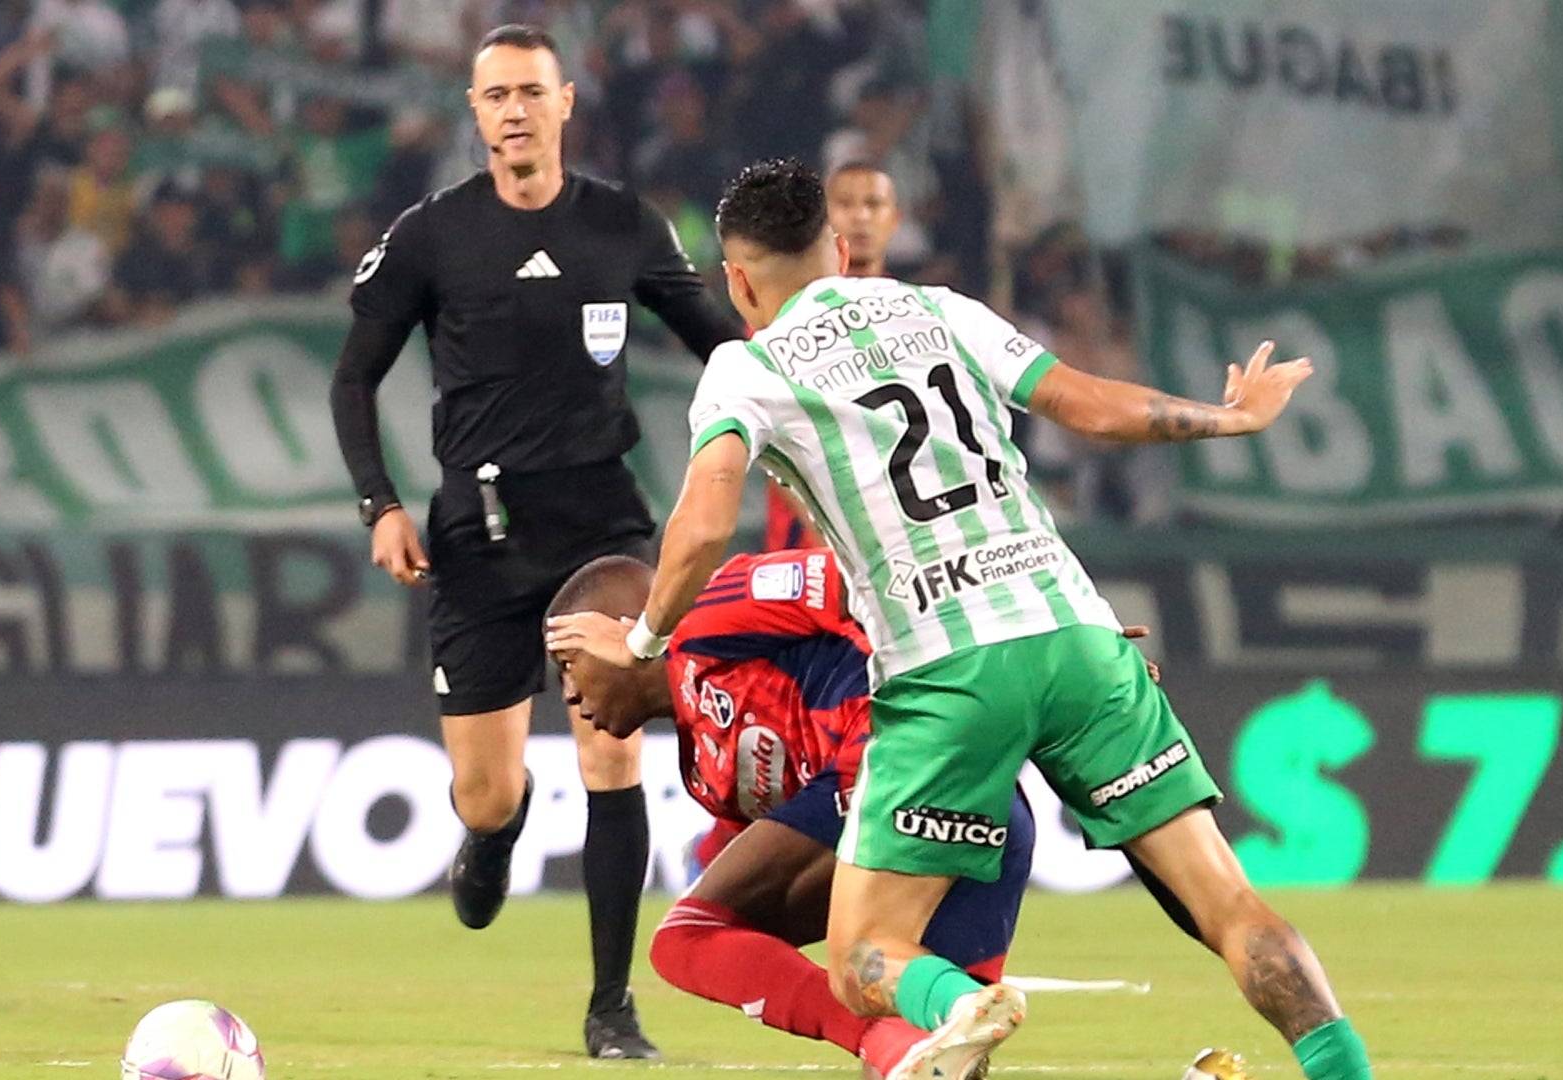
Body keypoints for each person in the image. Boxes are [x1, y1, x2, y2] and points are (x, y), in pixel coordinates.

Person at [546, 159, 1371, 1080]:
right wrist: (1227, 419)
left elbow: (700, 526)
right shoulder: (942, 311)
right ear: (844, 248)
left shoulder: (749, 366)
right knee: (1231, 909)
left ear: (738, 283)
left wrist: (645, 639)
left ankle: (961, 1006)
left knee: (866, 964)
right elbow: (1085, 404)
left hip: (945, 669)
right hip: (1078, 634)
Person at [326, 23, 741, 1060]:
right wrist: (380, 503)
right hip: (477, 530)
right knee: (488, 786)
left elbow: (725, 353)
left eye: (530, 92)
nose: (513, 110)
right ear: (476, 114)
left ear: (566, 105)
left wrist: (778, 400)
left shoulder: (624, 226)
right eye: (494, 95)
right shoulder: (431, 236)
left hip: (600, 524)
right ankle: (494, 833)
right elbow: (353, 378)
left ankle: (611, 1006)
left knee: (612, 754)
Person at [546, 547, 1034, 1080]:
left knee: (685, 937)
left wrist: (1027, 624)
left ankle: (895, 1032)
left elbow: (872, 573)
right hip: (984, 807)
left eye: (569, 664)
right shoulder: (706, 771)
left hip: (896, 756)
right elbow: (764, 879)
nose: (570, 694)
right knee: (929, 1063)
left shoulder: (714, 604)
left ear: (626, 628)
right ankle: (955, 1003)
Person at [765, 162, 901, 550]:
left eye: (873, 204)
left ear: (895, 219)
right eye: (845, 204)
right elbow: (772, 439)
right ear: (822, 219)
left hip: (902, 546)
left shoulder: (915, 313)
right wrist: (831, 540)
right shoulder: (782, 314)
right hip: (809, 552)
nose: (860, 216)